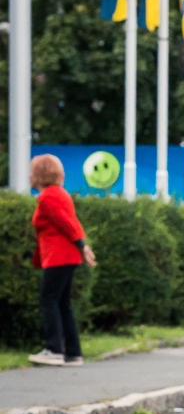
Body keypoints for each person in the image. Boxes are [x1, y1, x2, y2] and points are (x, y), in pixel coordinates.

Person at [28, 154, 97, 367]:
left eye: (32, 172)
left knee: (48, 299)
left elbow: (65, 222)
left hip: (58, 256)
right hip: (66, 256)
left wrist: (81, 244)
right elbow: (71, 222)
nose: (29, 176)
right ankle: (73, 353)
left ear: (39, 174)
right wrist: (81, 245)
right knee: (62, 303)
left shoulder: (47, 197)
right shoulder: (60, 194)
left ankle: (54, 349)